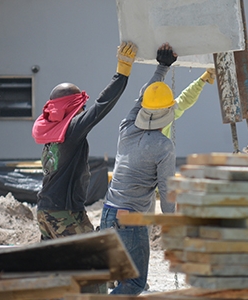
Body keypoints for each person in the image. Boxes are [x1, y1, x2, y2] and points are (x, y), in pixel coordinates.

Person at [31, 41, 137, 240]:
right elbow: (101, 106)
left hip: (45, 211)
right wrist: (122, 73)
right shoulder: (71, 129)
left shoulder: (53, 132)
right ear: (73, 107)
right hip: (64, 212)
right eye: (81, 106)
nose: (84, 111)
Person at [101, 43, 178, 295]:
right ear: (169, 112)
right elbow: (167, 193)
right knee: (133, 284)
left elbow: (143, 96)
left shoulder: (127, 127)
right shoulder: (163, 147)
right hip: (130, 220)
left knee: (122, 280)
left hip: (108, 214)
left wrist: (162, 67)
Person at [161, 68, 215, 139]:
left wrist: (203, 79)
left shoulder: (161, 116)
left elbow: (185, 100)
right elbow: (184, 100)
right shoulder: (163, 116)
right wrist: (202, 79)